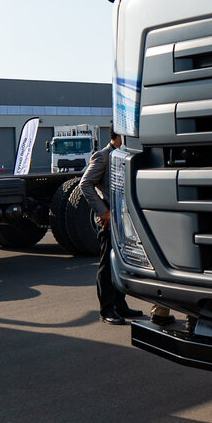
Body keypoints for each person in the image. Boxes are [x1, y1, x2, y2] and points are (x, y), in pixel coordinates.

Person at [79, 134, 138, 324]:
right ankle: (106, 310)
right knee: (107, 266)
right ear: (119, 135)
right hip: (108, 222)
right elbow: (85, 184)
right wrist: (103, 211)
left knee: (122, 265)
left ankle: (120, 305)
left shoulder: (124, 154)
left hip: (125, 222)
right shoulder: (103, 156)